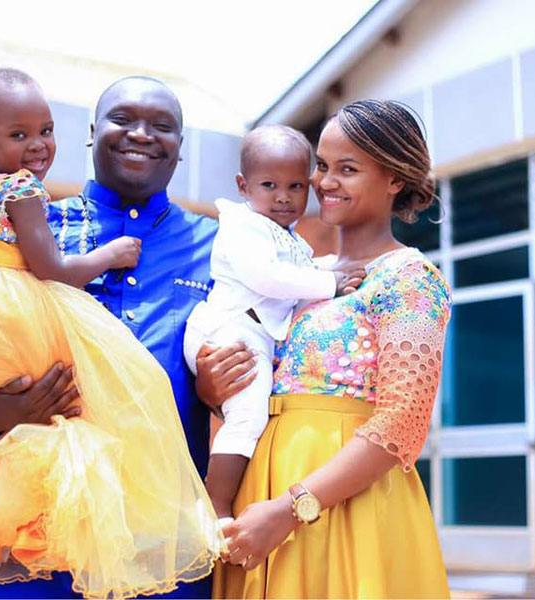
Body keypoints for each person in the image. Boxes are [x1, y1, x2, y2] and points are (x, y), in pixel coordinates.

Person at [0, 68, 221, 599]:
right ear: (90, 133)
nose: (142, 134)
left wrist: (222, 389)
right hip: (29, 535)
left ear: (181, 147)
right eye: (122, 119)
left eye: (163, 125)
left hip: (158, 536)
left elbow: (266, 350)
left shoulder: (219, 248)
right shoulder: (27, 229)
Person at [214, 99, 452, 598]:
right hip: (261, 498)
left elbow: (402, 422)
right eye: (321, 166)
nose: (324, 183)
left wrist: (290, 508)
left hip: (347, 511)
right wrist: (212, 385)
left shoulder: (410, 278)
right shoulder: (300, 275)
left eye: (348, 169)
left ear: (394, 179)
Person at [183, 125, 365, 525]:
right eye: (270, 184)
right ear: (243, 185)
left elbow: (297, 271)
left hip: (251, 331)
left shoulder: (288, 236)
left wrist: (333, 269)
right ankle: (215, 504)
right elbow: (267, 277)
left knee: (255, 416)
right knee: (248, 414)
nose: (284, 196)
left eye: (296, 186)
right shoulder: (242, 225)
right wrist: (330, 281)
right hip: (228, 330)